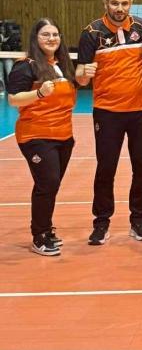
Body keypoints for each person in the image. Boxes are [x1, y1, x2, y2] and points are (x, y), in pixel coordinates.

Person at [76, 0, 142, 245]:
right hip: (107, 112)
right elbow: (81, 77)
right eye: (114, 3)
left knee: (141, 167)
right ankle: (101, 222)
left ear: (130, 3)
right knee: (106, 167)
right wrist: (83, 75)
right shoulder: (91, 33)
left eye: (124, 3)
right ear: (105, 3)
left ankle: (138, 221)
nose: (119, 8)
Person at [6, 18, 77, 256]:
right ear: (36, 38)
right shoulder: (25, 66)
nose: (51, 39)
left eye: (55, 34)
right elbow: (13, 99)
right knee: (47, 183)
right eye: (45, 34)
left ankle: (46, 229)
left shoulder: (62, 65)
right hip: (36, 135)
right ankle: (39, 235)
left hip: (64, 135)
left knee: (52, 185)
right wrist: (38, 93)